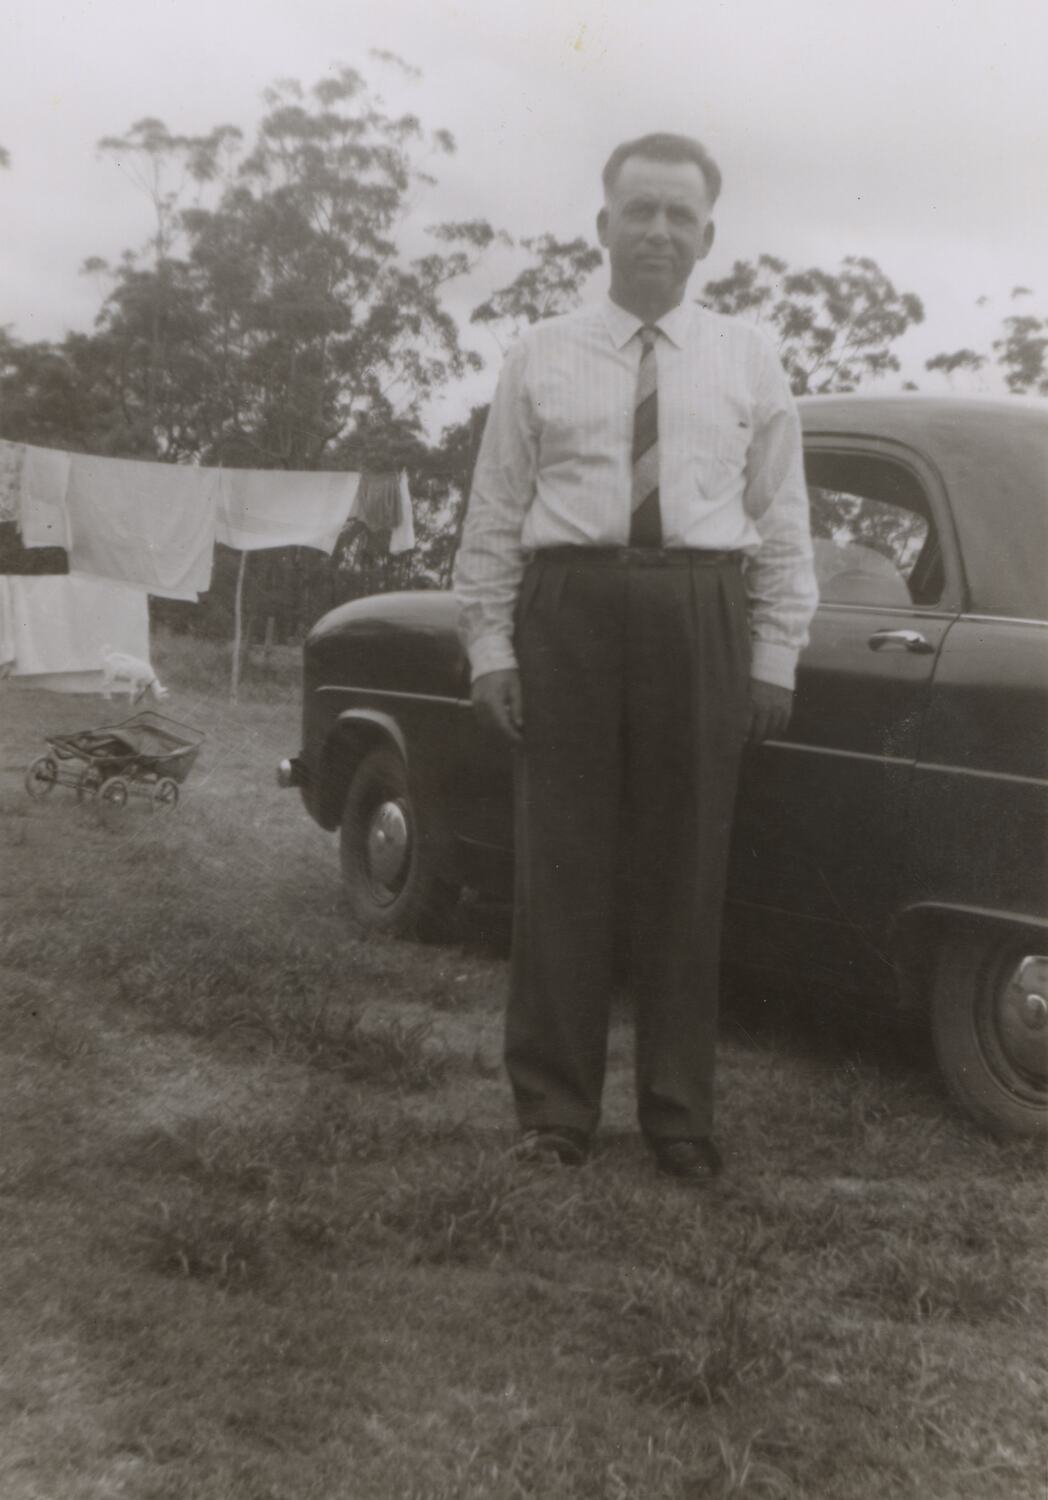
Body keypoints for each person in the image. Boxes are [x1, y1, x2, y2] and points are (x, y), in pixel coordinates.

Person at [453, 133, 818, 1181]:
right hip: (567, 608)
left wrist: (774, 655)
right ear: (602, 224)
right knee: (559, 866)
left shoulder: (748, 358)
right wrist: (490, 648)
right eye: (640, 210)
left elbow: (781, 518)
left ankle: (678, 1116)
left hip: (699, 609)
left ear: (708, 236)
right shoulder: (541, 352)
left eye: (679, 215)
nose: (659, 231)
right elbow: (495, 510)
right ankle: (554, 1111)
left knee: (686, 871)